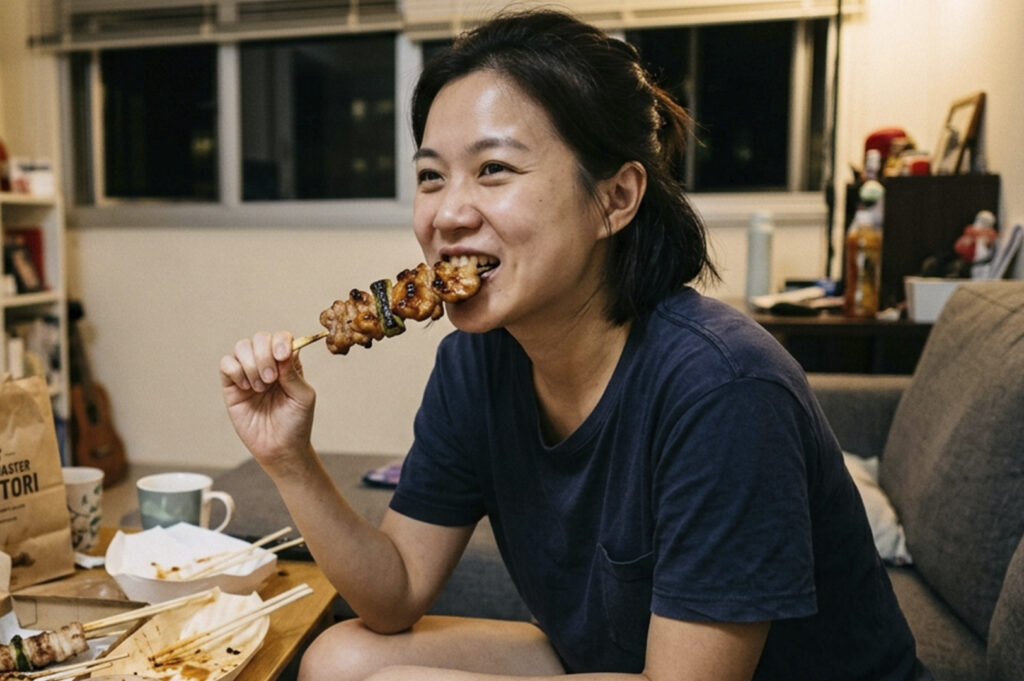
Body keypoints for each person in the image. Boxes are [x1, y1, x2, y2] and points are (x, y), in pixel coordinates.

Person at [219, 9, 929, 681]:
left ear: (617, 198)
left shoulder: (723, 386)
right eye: (432, 175)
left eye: (494, 169)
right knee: (338, 659)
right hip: (618, 655)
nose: (448, 213)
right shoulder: (477, 359)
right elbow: (397, 590)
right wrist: (291, 461)